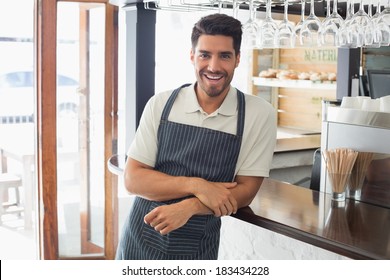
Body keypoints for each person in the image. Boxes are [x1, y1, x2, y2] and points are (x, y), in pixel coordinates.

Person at [115, 13, 277, 260]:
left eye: (224, 56)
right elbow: (133, 180)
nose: (213, 67)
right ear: (192, 56)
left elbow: (246, 191)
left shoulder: (258, 114)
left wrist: (190, 207)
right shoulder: (161, 104)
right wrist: (197, 185)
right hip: (141, 239)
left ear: (237, 60)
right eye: (205, 55)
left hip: (198, 246)